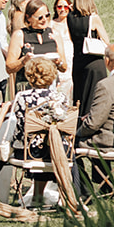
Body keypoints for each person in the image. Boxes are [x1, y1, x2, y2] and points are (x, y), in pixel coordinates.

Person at [10, 55, 72, 203]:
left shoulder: (22, 96)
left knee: (36, 141)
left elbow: (19, 126)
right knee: (48, 142)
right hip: (55, 152)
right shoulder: (61, 97)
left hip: (28, 153)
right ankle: (68, 196)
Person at [65, 0, 111, 110]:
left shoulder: (69, 17)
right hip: (93, 62)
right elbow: (106, 40)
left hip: (78, 61)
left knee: (80, 97)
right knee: (95, 98)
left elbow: (71, 37)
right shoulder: (93, 19)